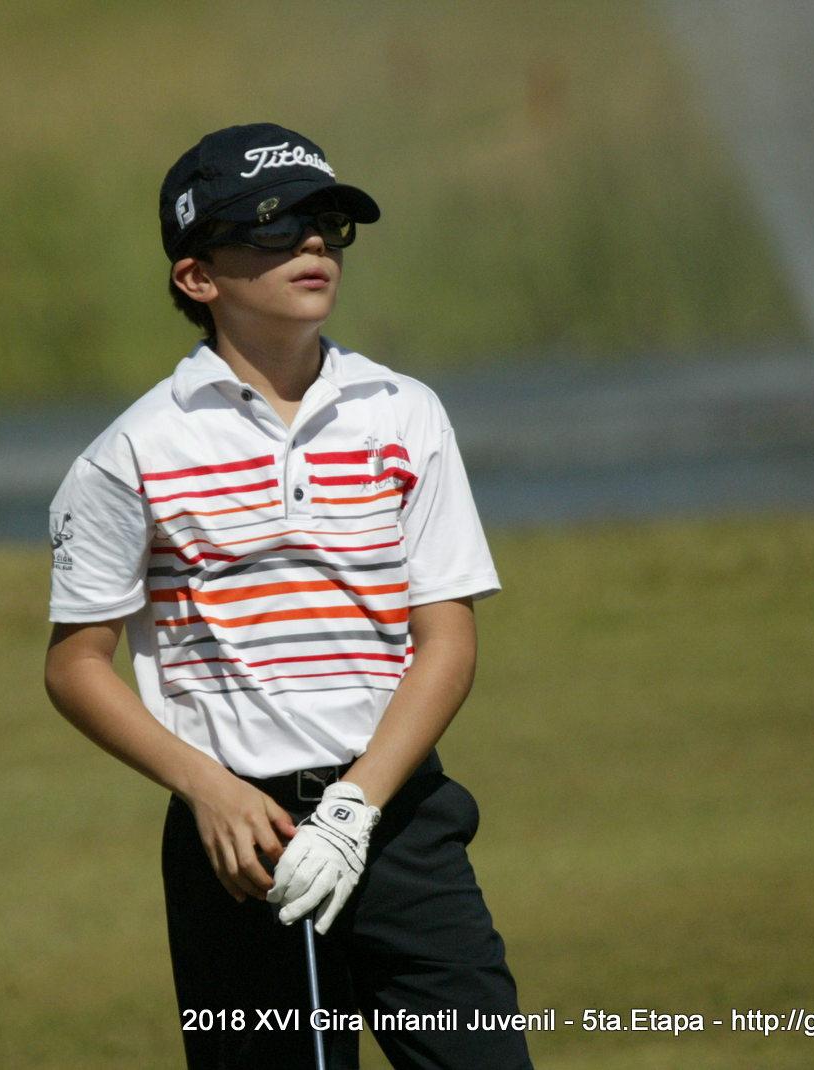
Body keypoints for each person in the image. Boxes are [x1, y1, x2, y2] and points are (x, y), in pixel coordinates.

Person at [44, 122, 533, 1069]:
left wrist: (355, 808)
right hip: (242, 839)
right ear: (198, 276)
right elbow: (75, 667)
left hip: (399, 817)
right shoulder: (134, 451)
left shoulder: (404, 413)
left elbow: (447, 641)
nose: (312, 243)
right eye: (273, 227)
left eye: (327, 224)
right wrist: (206, 789)